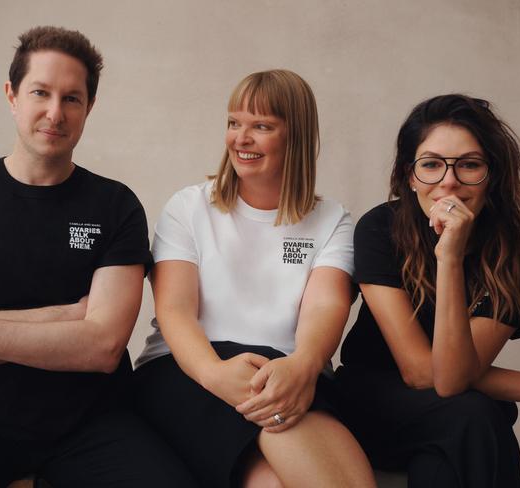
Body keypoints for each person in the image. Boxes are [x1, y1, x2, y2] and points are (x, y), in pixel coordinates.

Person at [0, 26, 196, 488]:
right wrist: (68, 316)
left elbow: (101, 348)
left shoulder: (115, 205)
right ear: (12, 95)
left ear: (89, 108)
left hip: (90, 421)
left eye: (72, 98)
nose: (55, 113)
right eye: (40, 92)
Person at [134, 69, 376, 488]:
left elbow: (325, 306)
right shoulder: (188, 207)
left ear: (295, 135)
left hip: (287, 370)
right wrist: (215, 375)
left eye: (261, 126)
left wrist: (303, 365)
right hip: (188, 369)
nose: (240, 139)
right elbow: (174, 308)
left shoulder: (332, 219)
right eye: (234, 123)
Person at [331, 94, 520, 488]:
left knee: (454, 445)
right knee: (476, 415)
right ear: (409, 175)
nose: (449, 180)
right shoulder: (380, 228)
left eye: (469, 165)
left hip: (455, 415)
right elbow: (420, 373)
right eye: (431, 165)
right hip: (372, 402)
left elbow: (452, 377)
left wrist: (449, 257)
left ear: (492, 175)